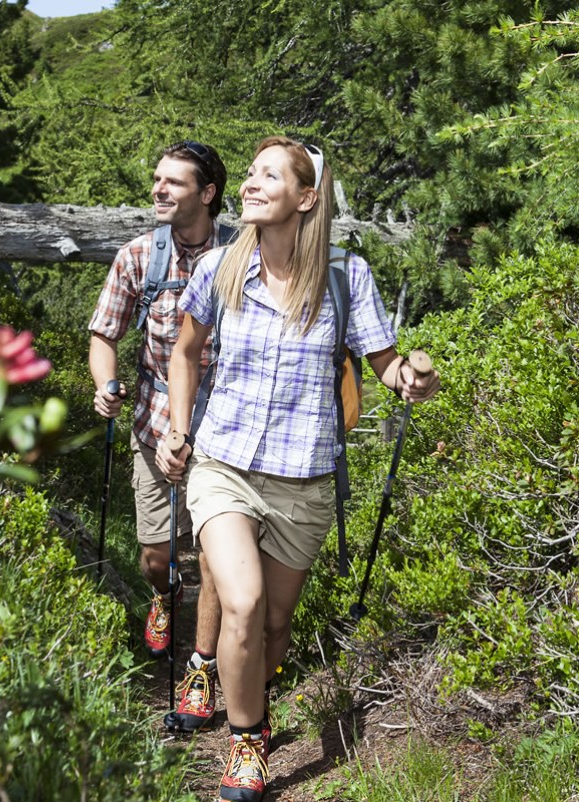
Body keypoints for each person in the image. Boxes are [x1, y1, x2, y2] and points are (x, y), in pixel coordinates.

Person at [156, 136, 440, 801]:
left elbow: (386, 365)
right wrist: (177, 427)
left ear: (306, 198)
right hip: (223, 462)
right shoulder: (224, 267)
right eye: (249, 174)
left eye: (268, 176)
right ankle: (246, 741)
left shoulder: (347, 276)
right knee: (245, 604)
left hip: (304, 478)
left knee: (274, 625)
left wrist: (412, 377)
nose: (250, 184)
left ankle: (245, 691)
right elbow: (185, 352)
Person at [88, 140, 231, 732]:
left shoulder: (243, 254)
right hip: (152, 423)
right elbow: (105, 333)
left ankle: (203, 667)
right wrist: (106, 384)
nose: (159, 190)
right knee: (157, 556)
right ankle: (162, 596)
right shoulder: (137, 258)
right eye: (157, 180)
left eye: (174, 182)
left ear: (208, 193)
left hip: (227, 428)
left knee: (218, 559)